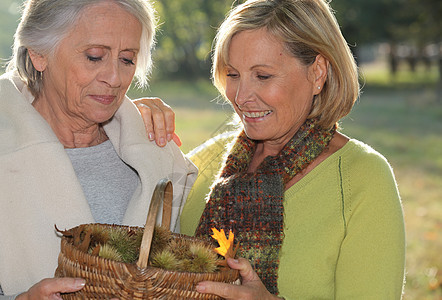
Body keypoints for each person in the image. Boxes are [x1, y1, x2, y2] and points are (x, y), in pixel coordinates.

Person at [171, 0, 405, 299]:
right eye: (232, 74)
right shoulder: (204, 163)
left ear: (318, 72)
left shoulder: (363, 179)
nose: (241, 97)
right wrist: (132, 125)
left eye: (263, 76)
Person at [0, 0, 197, 299]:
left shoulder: (158, 153)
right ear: (38, 54)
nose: (114, 79)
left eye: (127, 60)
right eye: (94, 56)